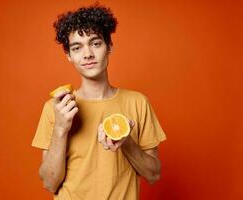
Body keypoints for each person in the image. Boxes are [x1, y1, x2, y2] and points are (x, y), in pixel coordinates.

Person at [32, 3, 167, 200]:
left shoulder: (138, 103)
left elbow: (154, 175)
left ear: (109, 46)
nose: (87, 54)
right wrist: (61, 129)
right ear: (69, 56)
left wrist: (126, 141)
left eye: (95, 43)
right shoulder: (57, 108)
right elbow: (50, 183)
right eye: (77, 48)